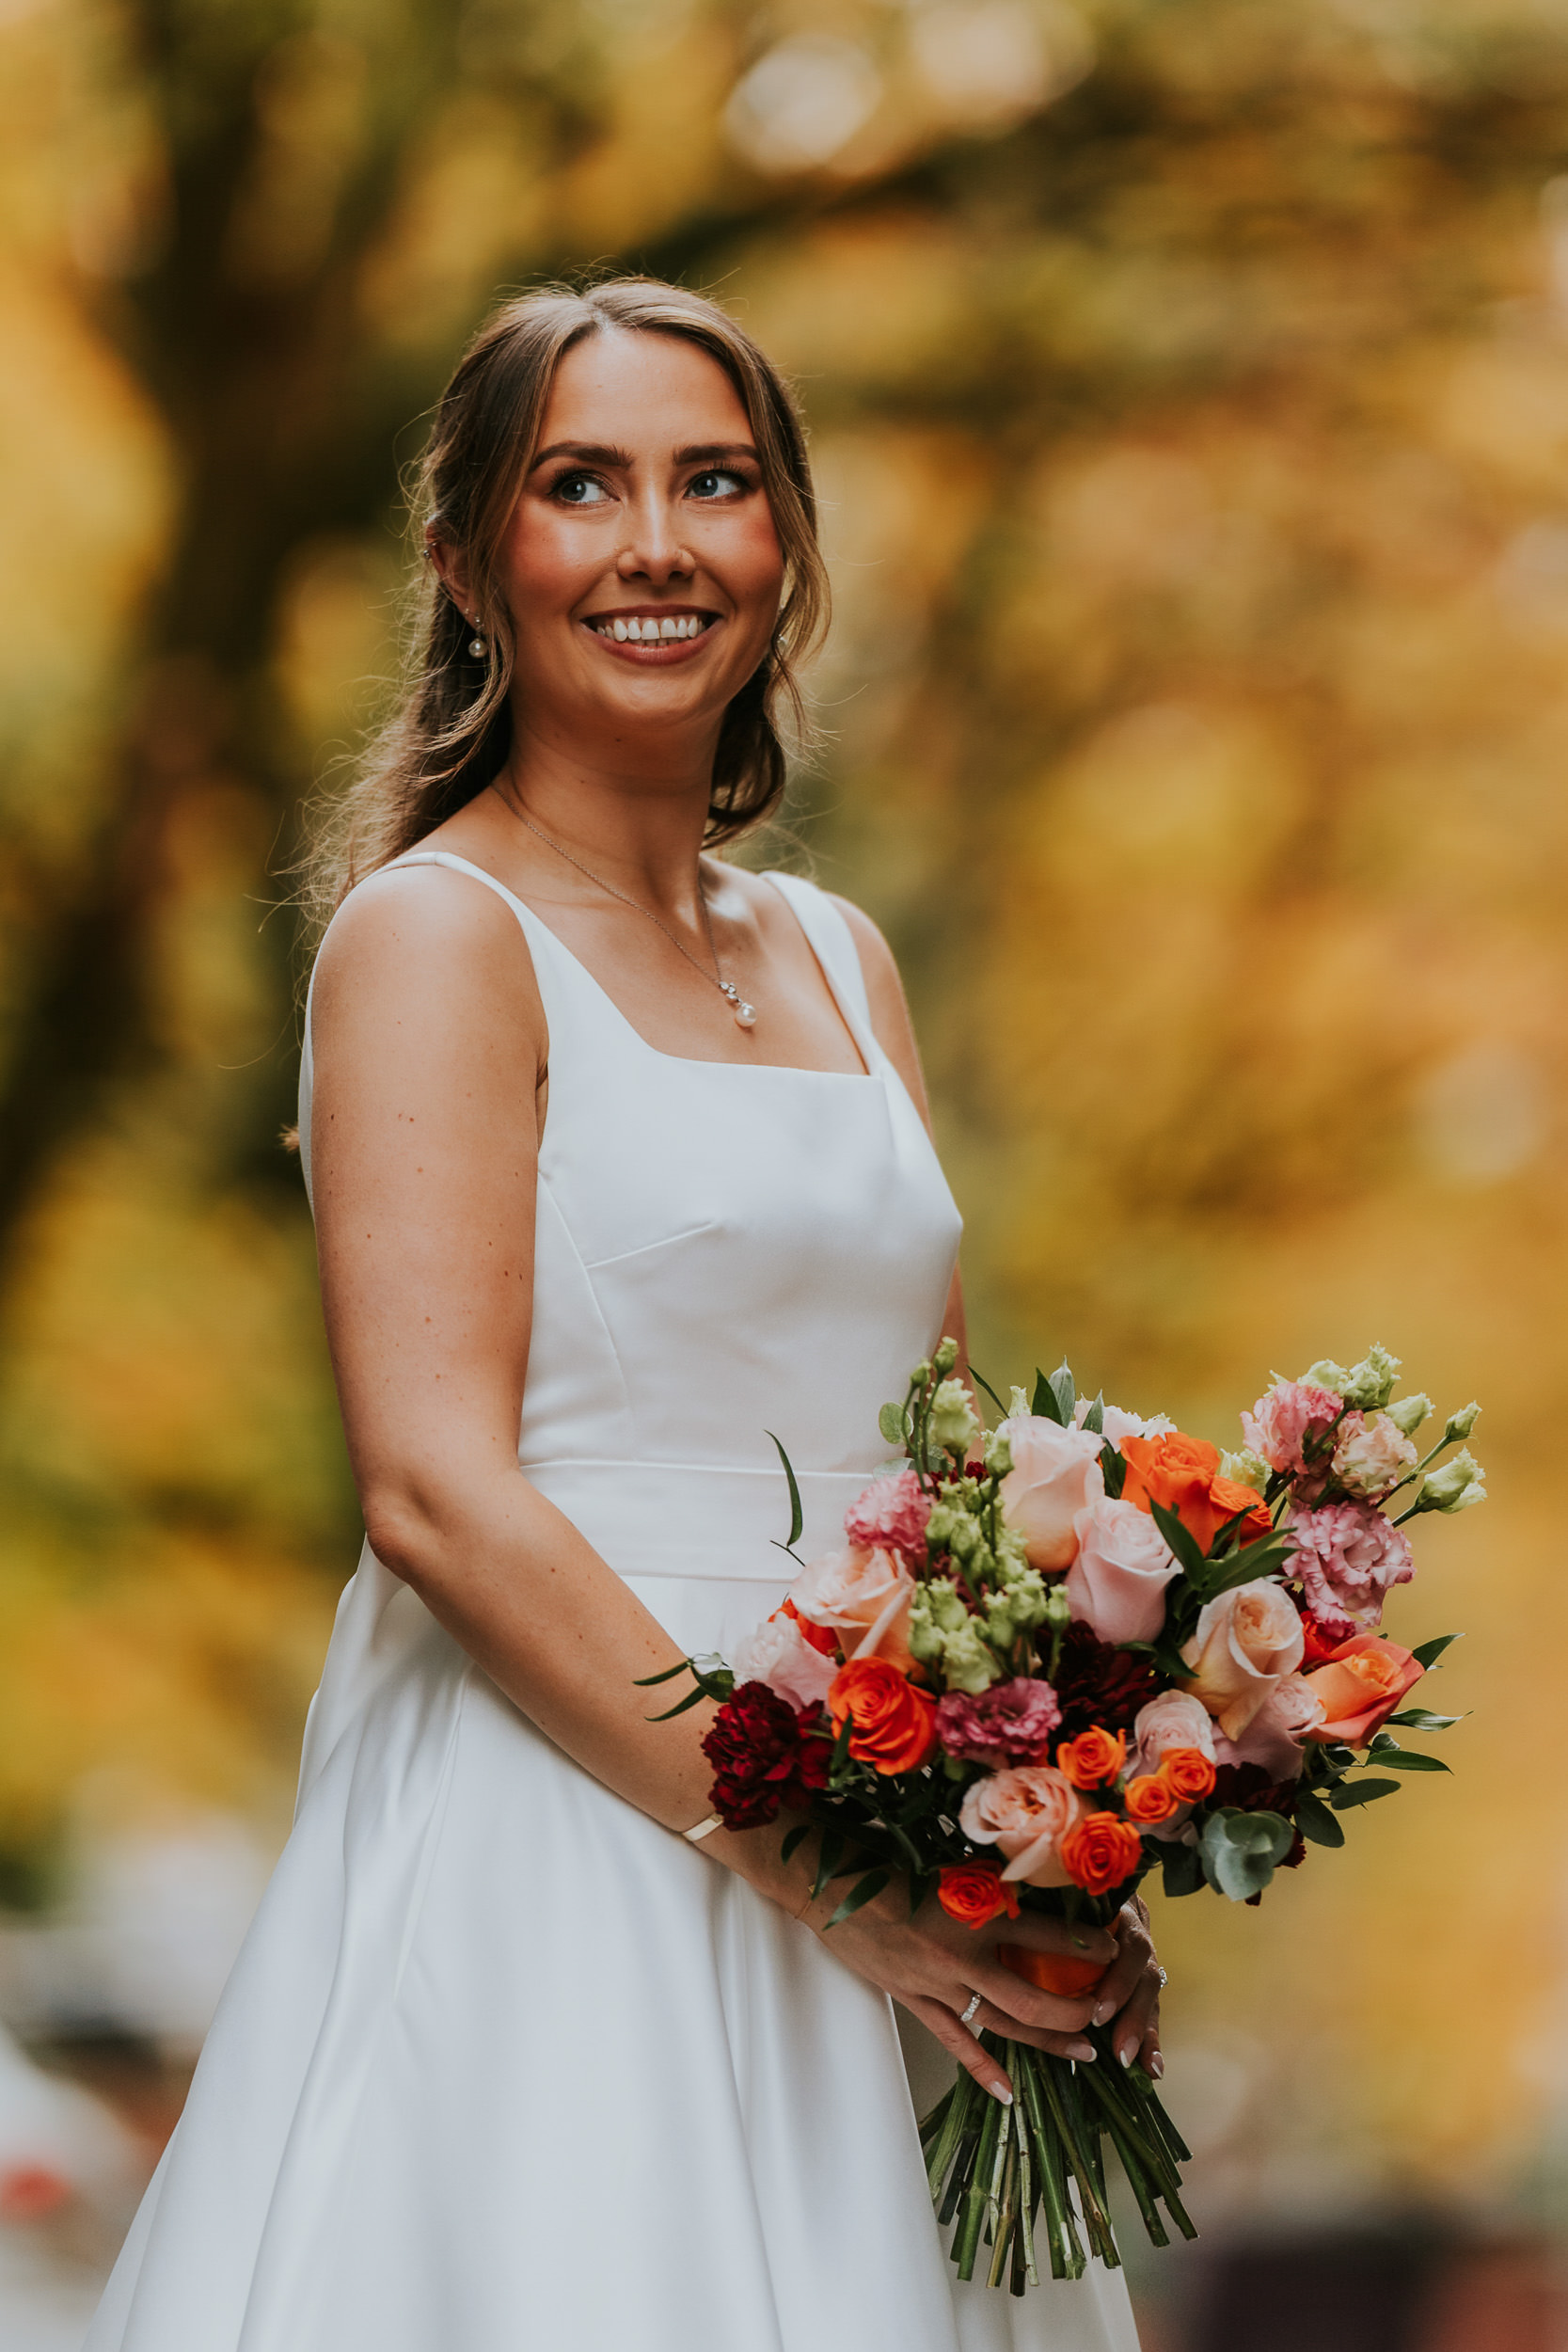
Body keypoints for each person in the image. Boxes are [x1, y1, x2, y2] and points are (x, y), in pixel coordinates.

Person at [86, 278, 1159, 2351]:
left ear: (787, 550)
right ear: (473, 558)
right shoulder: (432, 936)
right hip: (580, 1834)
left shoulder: (844, 954)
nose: (656, 541)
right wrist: (807, 1864)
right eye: (580, 485)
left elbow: (952, 1491)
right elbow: (432, 1491)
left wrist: (1058, 1858)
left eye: (716, 482)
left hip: (891, 1828)